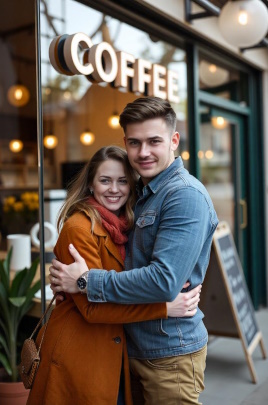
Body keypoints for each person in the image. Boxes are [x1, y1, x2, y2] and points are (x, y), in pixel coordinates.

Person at [50, 97, 219, 405]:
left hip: (170, 353)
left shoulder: (184, 196)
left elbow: (163, 282)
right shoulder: (141, 194)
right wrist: (66, 279)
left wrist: (87, 280)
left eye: (154, 141)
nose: (143, 152)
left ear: (173, 140)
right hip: (132, 348)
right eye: (135, 142)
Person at [27, 145, 201, 405]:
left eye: (122, 181)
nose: (114, 189)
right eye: (105, 180)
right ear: (90, 185)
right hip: (81, 352)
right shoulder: (80, 228)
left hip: (112, 351)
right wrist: (164, 307)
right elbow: (93, 310)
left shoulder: (126, 225)